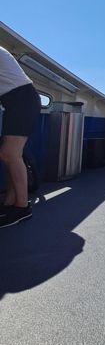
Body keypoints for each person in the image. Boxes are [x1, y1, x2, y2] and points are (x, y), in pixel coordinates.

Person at [0, 46, 41, 228]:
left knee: (9, 154)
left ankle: (22, 208)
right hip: (14, 102)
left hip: (22, 99)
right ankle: (10, 203)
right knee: (9, 155)